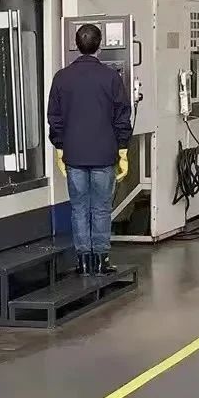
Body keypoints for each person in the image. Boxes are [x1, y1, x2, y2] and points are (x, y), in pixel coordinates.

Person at [47, 23, 132, 276]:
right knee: (101, 208)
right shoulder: (111, 77)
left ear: (76, 45)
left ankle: (83, 261)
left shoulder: (61, 78)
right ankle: (102, 260)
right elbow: (122, 117)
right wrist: (123, 149)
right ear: (100, 46)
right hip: (105, 154)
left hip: (73, 154)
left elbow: (55, 118)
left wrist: (60, 147)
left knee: (79, 208)